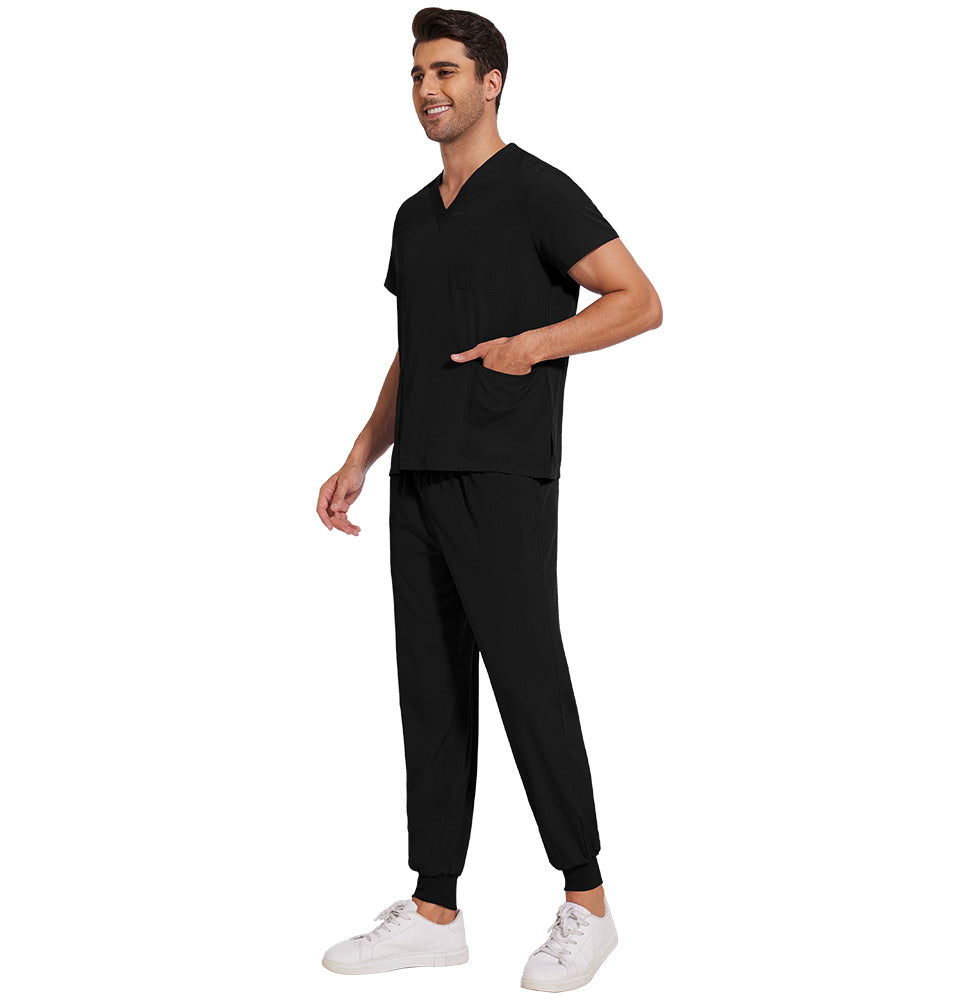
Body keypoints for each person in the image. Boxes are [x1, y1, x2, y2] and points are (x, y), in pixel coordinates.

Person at [316, 7, 662, 991]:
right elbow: (414, 349)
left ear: (491, 82)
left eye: (446, 71)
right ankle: (435, 907)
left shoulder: (538, 191)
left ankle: (587, 903)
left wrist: (534, 345)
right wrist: (361, 453)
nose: (428, 88)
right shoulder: (413, 216)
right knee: (429, 687)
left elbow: (638, 299)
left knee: (525, 675)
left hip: (504, 474)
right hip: (419, 475)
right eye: (417, 73)